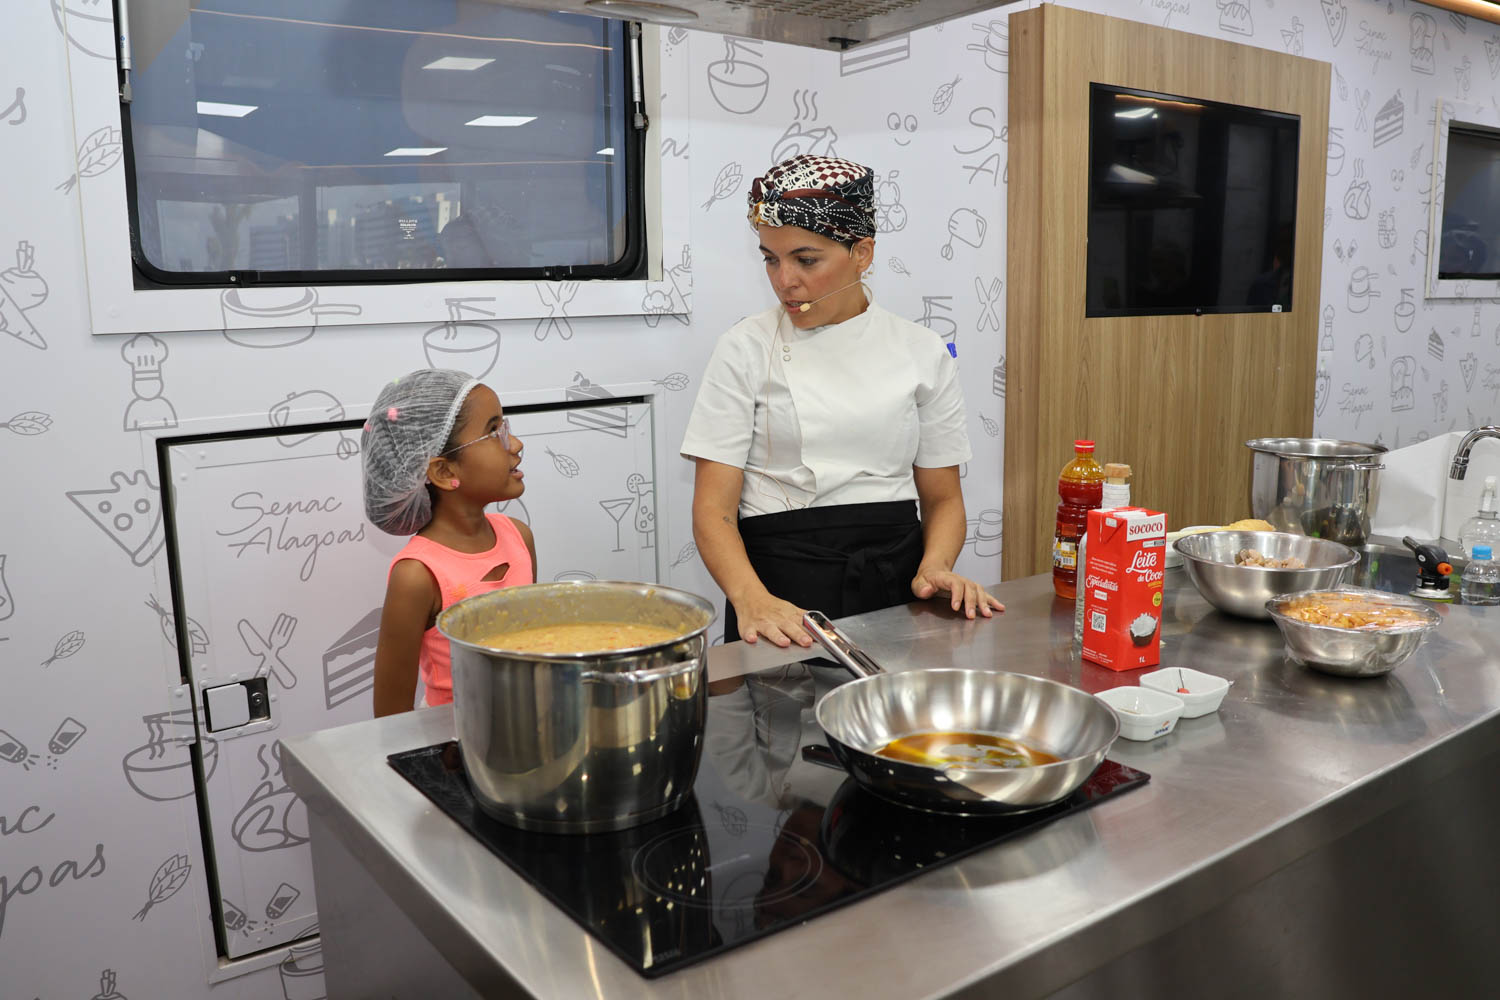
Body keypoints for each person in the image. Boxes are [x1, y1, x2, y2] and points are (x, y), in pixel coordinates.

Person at [682, 153, 1003, 648]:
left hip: (896, 581)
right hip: (779, 590)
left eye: (806, 260)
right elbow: (713, 509)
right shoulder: (744, 348)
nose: (784, 280)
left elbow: (943, 499)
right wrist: (751, 599)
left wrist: (935, 566)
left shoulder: (921, 350)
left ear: (862, 253)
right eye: (771, 258)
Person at [362, 368, 535, 716]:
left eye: (506, 427)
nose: (515, 444)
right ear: (444, 471)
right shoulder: (417, 574)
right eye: (493, 432)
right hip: (453, 740)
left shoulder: (519, 536)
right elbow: (390, 718)